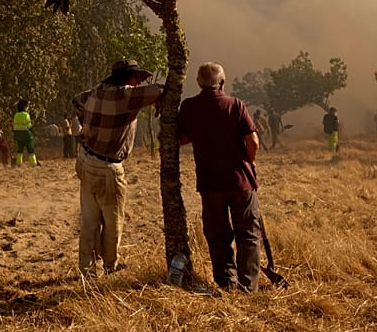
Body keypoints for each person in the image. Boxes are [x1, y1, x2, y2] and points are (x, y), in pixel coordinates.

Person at [72, 58, 163, 279]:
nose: (139, 82)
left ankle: (87, 269)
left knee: (89, 220)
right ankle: (110, 266)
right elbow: (162, 90)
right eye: (137, 78)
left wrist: (88, 124)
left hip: (85, 159)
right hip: (108, 167)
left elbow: (76, 101)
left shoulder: (95, 92)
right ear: (127, 78)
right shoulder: (126, 96)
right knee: (113, 222)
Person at [176, 62, 261, 291]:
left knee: (217, 234)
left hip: (210, 183)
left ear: (198, 83)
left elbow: (182, 139)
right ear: (222, 82)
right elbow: (253, 141)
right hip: (241, 180)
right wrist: (249, 163)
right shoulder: (236, 105)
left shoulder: (189, 107)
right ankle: (247, 286)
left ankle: (226, 284)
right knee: (249, 234)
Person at [12, 99, 39, 167]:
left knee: (20, 150)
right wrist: (33, 131)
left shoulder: (16, 115)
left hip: (18, 135)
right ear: (24, 107)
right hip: (26, 135)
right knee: (31, 149)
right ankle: (33, 163)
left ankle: (19, 163)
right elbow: (29, 126)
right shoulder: (26, 115)